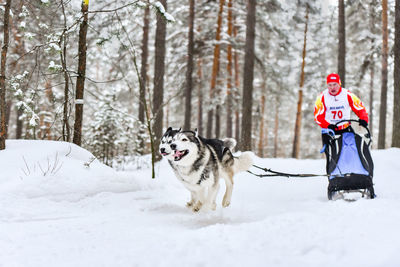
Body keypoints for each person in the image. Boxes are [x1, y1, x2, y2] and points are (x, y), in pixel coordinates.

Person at [314, 73, 369, 144]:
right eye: (329, 85)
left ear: (339, 83)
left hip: (345, 129)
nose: (332, 88)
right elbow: (318, 116)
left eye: (335, 84)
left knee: (351, 152)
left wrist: (364, 119)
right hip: (329, 130)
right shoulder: (321, 97)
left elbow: (360, 108)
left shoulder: (347, 94)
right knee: (334, 154)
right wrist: (327, 125)